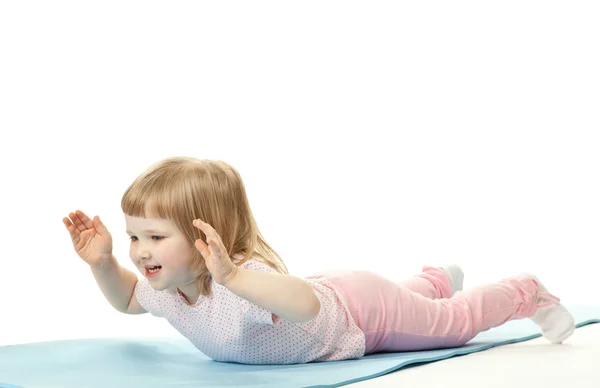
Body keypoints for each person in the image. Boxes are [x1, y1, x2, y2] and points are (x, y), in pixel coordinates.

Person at [62, 156, 576, 365]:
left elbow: (305, 304)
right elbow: (129, 299)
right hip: (346, 292)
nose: (141, 250)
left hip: (360, 315)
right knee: (413, 300)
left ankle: (523, 291)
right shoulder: (170, 286)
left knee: (455, 325)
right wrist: (102, 263)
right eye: (133, 236)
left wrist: (235, 277)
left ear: (205, 235)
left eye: (155, 236)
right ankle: (434, 279)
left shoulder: (242, 279)